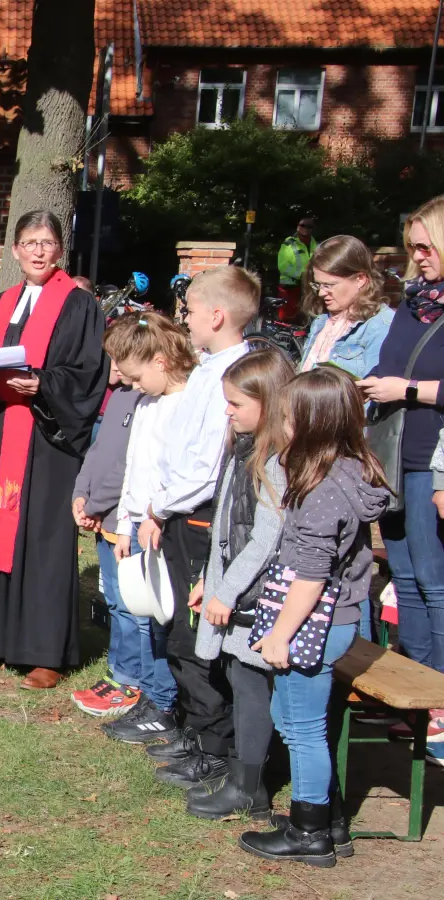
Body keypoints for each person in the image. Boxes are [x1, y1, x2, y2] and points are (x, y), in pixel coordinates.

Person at [110, 265, 258, 786]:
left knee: (195, 639)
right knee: (177, 633)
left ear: (216, 315)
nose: (185, 319)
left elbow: (206, 464)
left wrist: (159, 508)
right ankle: (197, 732)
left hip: (198, 517)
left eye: (190, 310)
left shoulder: (232, 375)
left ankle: (214, 745)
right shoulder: (206, 371)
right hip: (174, 513)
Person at [239, 367, 389, 867]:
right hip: (332, 621)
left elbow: (310, 577)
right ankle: (329, 821)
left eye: (285, 417)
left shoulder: (321, 490)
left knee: (303, 731)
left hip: (313, 624)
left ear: (309, 424)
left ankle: (309, 833)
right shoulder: (346, 471)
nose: (279, 425)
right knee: (296, 721)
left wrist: (281, 635)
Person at [0, 210, 108, 691]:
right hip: (0, 432)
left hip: (46, 440)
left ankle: (45, 652)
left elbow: (87, 374)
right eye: (29, 242)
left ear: (60, 249)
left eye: (47, 242)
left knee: (42, 540)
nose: (38, 251)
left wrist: (41, 383)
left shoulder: (80, 306)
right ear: (16, 250)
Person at [185, 349, 294, 821]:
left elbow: (267, 538)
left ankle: (249, 787)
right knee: (237, 677)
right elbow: (226, 526)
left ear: (269, 403)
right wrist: (208, 579)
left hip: (257, 596)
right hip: (234, 586)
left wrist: (227, 592)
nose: (227, 411)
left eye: (236, 403)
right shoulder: (243, 447)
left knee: (250, 685)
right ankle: (240, 775)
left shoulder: (276, 461)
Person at [358, 195, 444, 758]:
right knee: (405, 580)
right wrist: (369, 383)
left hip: (433, 462)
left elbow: (415, 381)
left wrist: (407, 390)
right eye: (414, 247)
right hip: (394, 457)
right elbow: (390, 366)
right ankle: (413, 696)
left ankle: (440, 702)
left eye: (427, 246)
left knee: (436, 583)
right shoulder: (412, 306)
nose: (419, 256)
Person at [102, 313, 196, 736]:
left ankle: (164, 701)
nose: (133, 385)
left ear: (160, 361)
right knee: (143, 616)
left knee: (161, 618)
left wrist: (156, 515)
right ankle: (151, 694)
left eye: (137, 377)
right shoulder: (147, 403)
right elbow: (133, 469)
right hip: (139, 522)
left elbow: (179, 474)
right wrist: (125, 522)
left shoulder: (185, 404)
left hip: (163, 524)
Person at [70, 356, 160, 718]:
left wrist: (95, 505)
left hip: (123, 519)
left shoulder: (149, 402)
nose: (114, 367)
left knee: (132, 606)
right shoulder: (118, 397)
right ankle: (119, 673)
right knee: (115, 601)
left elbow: (127, 466)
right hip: (103, 518)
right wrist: (81, 493)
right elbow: (97, 453)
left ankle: (133, 680)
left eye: (121, 359)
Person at [298, 235, 394, 376]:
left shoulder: (380, 326)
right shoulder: (322, 321)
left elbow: (376, 386)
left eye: (329, 285)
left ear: (360, 279)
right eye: (318, 285)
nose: (321, 293)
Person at [276, 216, 317, 321]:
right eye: (303, 225)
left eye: (309, 226)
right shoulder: (289, 243)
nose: (306, 228)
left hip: (308, 285)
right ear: (298, 227)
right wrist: (301, 275)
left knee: (307, 314)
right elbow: (283, 266)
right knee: (288, 315)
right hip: (290, 286)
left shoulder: (315, 244)